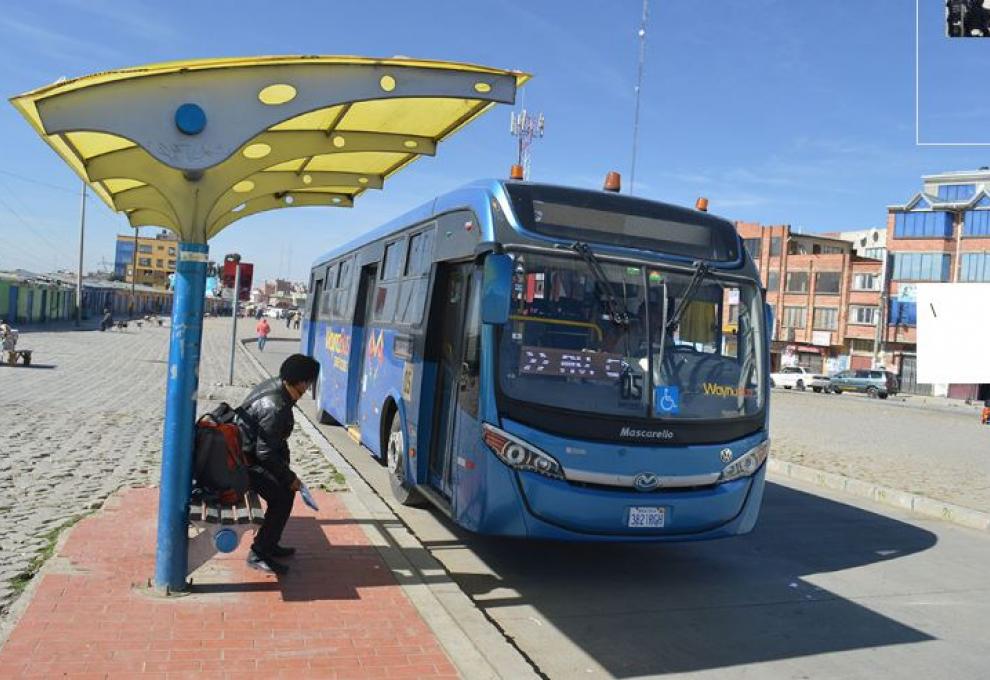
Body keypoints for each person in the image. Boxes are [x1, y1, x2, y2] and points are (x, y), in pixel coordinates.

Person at [237, 354, 320, 575]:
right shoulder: (275, 406)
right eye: (308, 383)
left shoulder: (279, 389)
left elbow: (271, 445)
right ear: (300, 381)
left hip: (246, 456)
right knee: (283, 495)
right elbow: (264, 453)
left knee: (285, 491)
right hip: (243, 464)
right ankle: (259, 553)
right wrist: (289, 477)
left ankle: (269, 543)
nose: (309, 388)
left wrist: (287, 475)